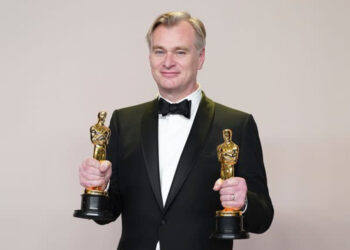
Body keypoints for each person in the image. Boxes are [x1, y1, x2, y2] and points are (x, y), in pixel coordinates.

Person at [79, 11, 273, 250]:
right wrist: (100, 187)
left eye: (180, 51)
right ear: (150, 56)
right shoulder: (123, 121)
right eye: (159, 51)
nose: (167, 62)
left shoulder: (237, 124)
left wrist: (243, 203)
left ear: (200, 57)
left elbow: (263, 218)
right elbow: (105, 215)